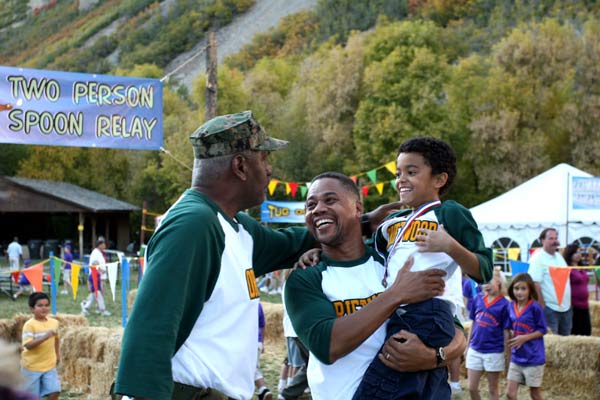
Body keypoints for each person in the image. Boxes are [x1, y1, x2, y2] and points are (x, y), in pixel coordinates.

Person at [284, 172, 473, 400]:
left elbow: (454, 328)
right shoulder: (305, 277)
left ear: (357, 208)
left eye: (330, 200)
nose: (317, 209)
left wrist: (434, 356)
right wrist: (396, 294)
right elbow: (327, 346)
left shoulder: (394, 264)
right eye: (310, 204)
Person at [353, 136, 493, 400]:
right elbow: (364, 255)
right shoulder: (393, 220)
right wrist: (317, 251)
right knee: (428, 389)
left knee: (378, 387)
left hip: (426, 312)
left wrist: (451, 246)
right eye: (398, 173)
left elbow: (484, 269)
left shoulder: (449, 212)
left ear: (439, 179)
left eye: (412, 172)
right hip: (391, 308)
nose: (401, 179)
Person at [466, 267, 509, 400]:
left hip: (494, 351)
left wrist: (507, 354)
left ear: (499, 282)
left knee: (492, 389)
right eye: (484, 282)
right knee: (471, 388)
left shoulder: (505, 304)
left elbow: (506, 331)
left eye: (490, 282)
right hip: (475, 349)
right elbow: (473, 323)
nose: (486, 285)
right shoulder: (477, 299)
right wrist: (467, 347)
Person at [504, 273, 547, 400]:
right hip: (516, 357)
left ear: (530, 290)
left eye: (523, 288)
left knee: (534, 394)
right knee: (510, 394)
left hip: (533, 357)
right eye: (516, 288)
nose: (519, 292)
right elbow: (507, 327)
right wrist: (508, 351)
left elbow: (543, 330)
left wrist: (524, 338)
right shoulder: (510, 306)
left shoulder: (535, 307)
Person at [528, 228, 571, 335]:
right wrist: (542, 305)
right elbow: (534, 284)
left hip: (566, 308)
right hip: (550, 309)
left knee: (566, 343)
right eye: (551, 238)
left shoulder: (559, 257)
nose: (555, 241)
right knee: (552, 342)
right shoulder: (538, 258)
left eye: (556, 238)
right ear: (543, 240)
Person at [20, 292, 61, 400]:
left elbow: (56, 340)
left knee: (55, 391)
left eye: (47, 305)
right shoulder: (29, 325)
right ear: (31, 309)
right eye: (40, 305)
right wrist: (45, 337)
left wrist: (57, 355)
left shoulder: (54, 323)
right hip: (32, 367)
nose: (44, 308)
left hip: (49, 365)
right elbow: (28, 345)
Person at [564, 243, 591, 336]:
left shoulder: (582, 267)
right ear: (570, 254)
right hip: (574, 306)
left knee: (587, 331)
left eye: (580, 252)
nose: (579, 254)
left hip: (585, 305)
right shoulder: (567, 268)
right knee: (577, 331)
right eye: (576, 252)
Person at [81, 237, 111, 316]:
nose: (105, 246)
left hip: (98, 279)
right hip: (96, 280)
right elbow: (94, 264)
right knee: (98, 296)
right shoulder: (95, 253)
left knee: (93, 297)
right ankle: (102, 309)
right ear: (100, 245)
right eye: (104, 244)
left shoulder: (100, 253)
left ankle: (86, 307)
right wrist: (101, 270)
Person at [254, 303, 273, 400]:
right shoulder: (258, 304)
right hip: (257, 341)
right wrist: (262, 342)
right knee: (254, 368)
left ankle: (263, 390)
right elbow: (262, 325)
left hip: (247, 341)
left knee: (250, 369)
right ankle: (263, 391)